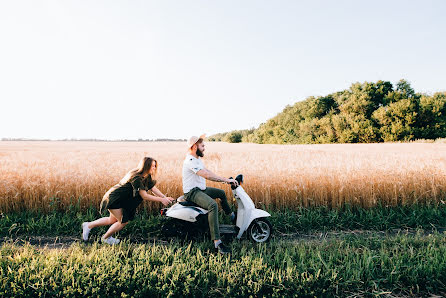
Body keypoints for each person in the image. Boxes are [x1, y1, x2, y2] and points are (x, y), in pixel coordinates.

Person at [82, 157, 174, 244]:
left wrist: (164, 197)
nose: (154, 168)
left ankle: (88, 225)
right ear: (146, 166)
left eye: (155, 166)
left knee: (112, 219)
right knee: (123, 222)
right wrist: (161, 200)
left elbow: (153, 188)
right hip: (115, 198)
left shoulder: (146, 176)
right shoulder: (137, 178)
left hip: (119, 198)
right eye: (152, 166)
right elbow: (144, 196)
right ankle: (105, 238)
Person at [182, 135, 238, 254]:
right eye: (202, 146)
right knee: (213, 205)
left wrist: (225, 179)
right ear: (194, 146)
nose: (204, 148)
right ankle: (217, 242)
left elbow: (208, 171)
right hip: (192, 192)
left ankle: (233, 217)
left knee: (221, 193)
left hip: (200, 189)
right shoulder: (190, 161)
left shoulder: (197, 159)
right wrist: (226, 180)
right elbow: (206, 175)